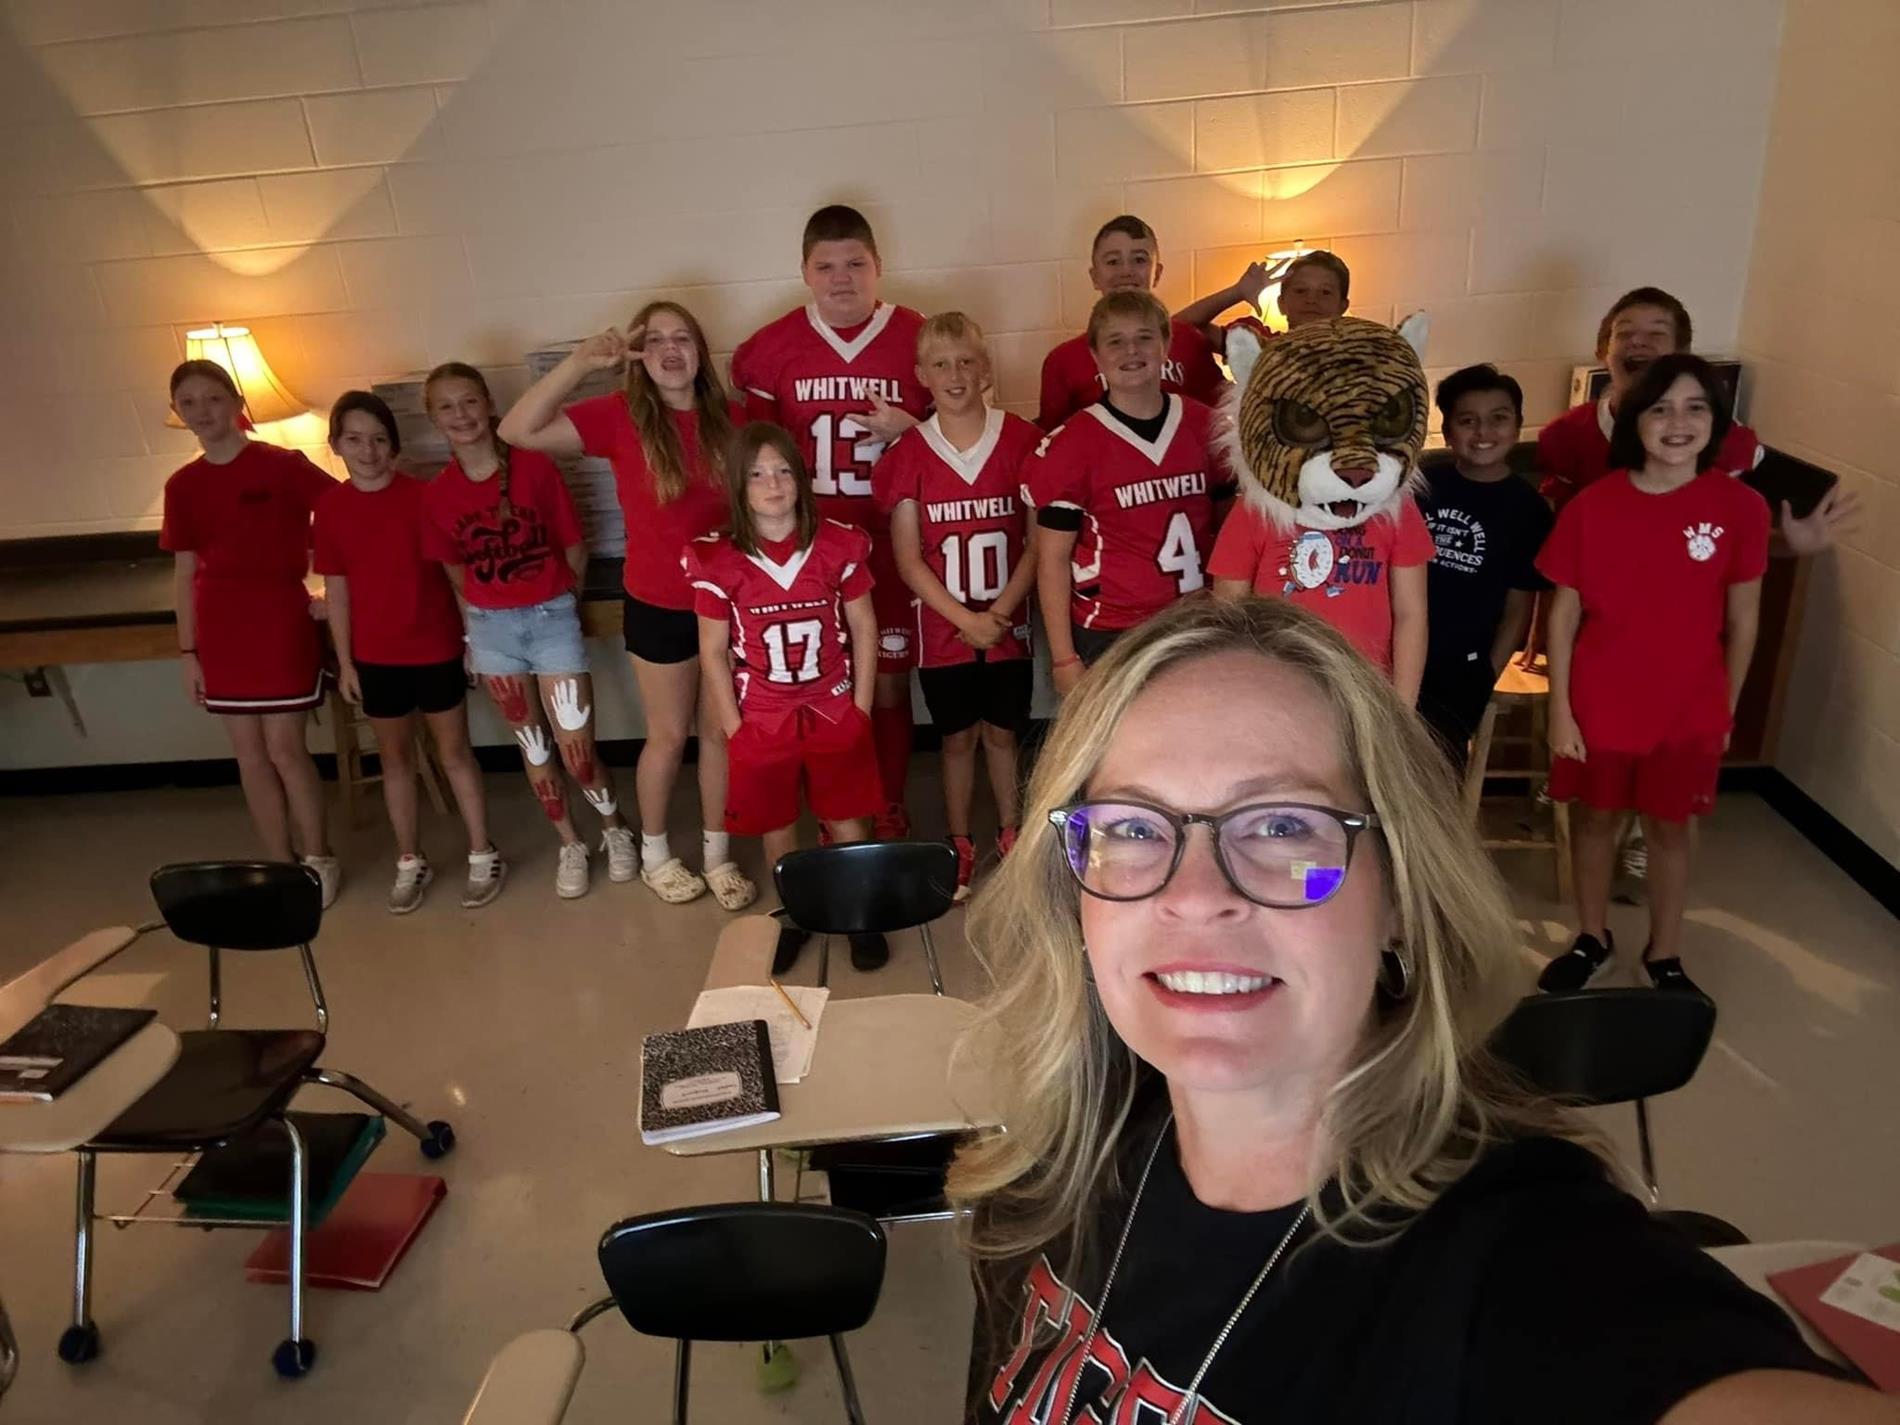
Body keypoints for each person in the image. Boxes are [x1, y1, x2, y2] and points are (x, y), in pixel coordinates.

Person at [948, 596, 1883, 1425]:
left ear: (1400, 894)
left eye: (1281, 825)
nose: (1196, 897)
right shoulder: (1059, 1161)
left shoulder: (1515, 1265)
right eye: (1134, 828)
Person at [498, 301, 757, 912]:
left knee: (721, 735)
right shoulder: (621, 416)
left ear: (701, 350)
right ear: (640, 355)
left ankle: (718, 854)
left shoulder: (736, 420)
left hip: (725, 607)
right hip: (659, 603)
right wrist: (584, 360)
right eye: (657, 340)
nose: (671, 349)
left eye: (683, 337)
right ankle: (656, 854)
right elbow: (516, 430)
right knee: (667, 737)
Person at [1537, 354, 1772, 996]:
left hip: (1688, 704)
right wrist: (1561, 709)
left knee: (1670, 828)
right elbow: (1563, 613)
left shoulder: (1740, 508)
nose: (1678, 422)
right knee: (1595, 820)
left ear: (1716, 422)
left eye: (1696, 407)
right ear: (1635, 421)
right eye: (1661, 408)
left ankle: (1664, 953)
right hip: (1601, 698)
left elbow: (1744, 623)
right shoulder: (1592, 506)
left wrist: (1725, 707)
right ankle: (1592, 937)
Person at [730, 204, 928, 838]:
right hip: (805, 550)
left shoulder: (919, 337)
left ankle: (887, 799)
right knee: (817, 688)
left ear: (879, 266)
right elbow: (753, 455)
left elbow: (961, 440)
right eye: (826, 266)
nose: (842, 279)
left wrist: (915, 433)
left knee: (889, 683)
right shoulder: (770, 347)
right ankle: (833, 810)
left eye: (856, 264)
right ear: (805, 272)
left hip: (893, 542)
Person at [420, 361, 636, 900]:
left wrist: (565, 602)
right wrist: (475, 629)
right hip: (492, 632)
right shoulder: (438, 495)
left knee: (576, 749)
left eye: (469, 401)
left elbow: (573, 546)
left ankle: (615, 830)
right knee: (534, 750)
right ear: (432, 418)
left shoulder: (534, 468)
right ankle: (569, 842)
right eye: (446, 406)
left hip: (550, 618)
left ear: (489, 404)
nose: (460, 415)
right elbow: (453, 570)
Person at [688, 423, 889, 974]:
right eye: (756, 473)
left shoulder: (838, 544)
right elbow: (713, 651)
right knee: (779, 826)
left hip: (831, 703)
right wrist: (734, 728)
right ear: (738, 485)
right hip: (764, 714)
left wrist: (863, 707)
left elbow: (865, 627)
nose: (772, 483)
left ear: (799, 479)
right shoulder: (717, 559)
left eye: (781, 470)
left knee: (847, 818)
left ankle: (859, 914)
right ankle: (795, 914)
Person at [161, 359, 341, 905]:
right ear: (177, 413)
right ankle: (278, 863)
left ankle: (317, 858)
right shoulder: (183, 485)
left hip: (279, 620)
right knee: (249, 753)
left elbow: (345, 514)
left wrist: (335, 593)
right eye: (188, 403)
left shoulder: (282, 465)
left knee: (286, 749)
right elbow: (185, 571)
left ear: (237, 403)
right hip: (220, 628)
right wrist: (188, 651)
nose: (202, 412)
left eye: (212, 399)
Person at [314, 391, 503, 912]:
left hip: (436, 644)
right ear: (337, 445)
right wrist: (346, 661)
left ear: (393, 447)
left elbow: (455, 576)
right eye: (355, 439)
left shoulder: (424, 497)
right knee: (396, 759)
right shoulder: (330, 508)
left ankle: (482, 851)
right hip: (376, 656)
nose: (367, 450)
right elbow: (338, 591)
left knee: (454, 752)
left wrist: (471, 641)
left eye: (378, 440)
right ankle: (408, 857)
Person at [874, 313, 1039, 901]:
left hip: (1007, 622)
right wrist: (967, 619)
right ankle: (960, 842)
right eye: (941, 364)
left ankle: (1013, 832)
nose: (955, 373)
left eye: (966, 361)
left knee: (1003, 735)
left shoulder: (1020, 438)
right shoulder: (909, 452)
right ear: (921, 375)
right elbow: (909, 559)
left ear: (986, 368)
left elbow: (1037, 540)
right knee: (956, 740)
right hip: (944, 629)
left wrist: (1000, 611)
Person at [1206, 316, 1433, 705]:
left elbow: (1411, 614)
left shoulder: (1395, 510)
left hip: (1366, 694)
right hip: (1277, 691)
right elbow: (1229, 615)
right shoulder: (1254, 512)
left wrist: (1404, 707)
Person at [1028, 291, 1230, 695]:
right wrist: (1064, 658)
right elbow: (1051, 559)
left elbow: (1230, 532)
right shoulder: (1073, 444)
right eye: (1115, 341)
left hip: (1195, 618)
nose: (1131, 350)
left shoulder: (1204, 424)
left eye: (1144, 337)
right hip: (1111, 628)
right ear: (1096, 355)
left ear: (1167, 345)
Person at [1417, 365, 1553, 768]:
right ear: (1447, 428)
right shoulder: (1422, 482)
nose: (1483, 433)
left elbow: (1519, 602)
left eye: (1498, 418)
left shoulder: (1527, 508)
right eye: (1467, 420)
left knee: (1440, 768)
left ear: (1517, 425)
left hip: (1463, 667)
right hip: (1397, 651)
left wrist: (1488, 673)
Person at [1036, 215, 1235, 432]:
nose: (1126, 271)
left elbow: (1221, 421)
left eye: (1139, 260)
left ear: (1157, 273)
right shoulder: (1062, 361)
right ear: (1095, 276)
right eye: (1113, 262)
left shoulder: (1189, 339)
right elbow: (1053, 440)